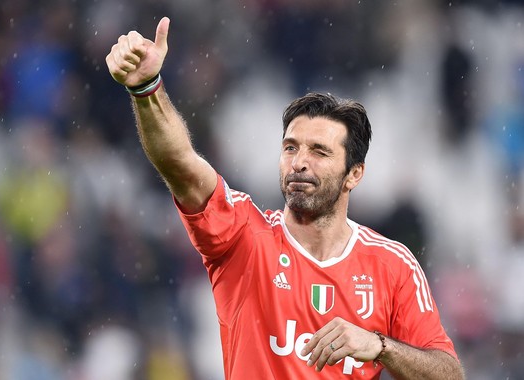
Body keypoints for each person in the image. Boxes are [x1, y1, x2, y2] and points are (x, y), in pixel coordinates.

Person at [105, 17, 464, 380]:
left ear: (354, 174)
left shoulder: (392, 266)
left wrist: (380, 346)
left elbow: (449, 375)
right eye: (290, 148)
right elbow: (179, 163)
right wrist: (146, 88)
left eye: (320, 152)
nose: (299, 162)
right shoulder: (243, 236)